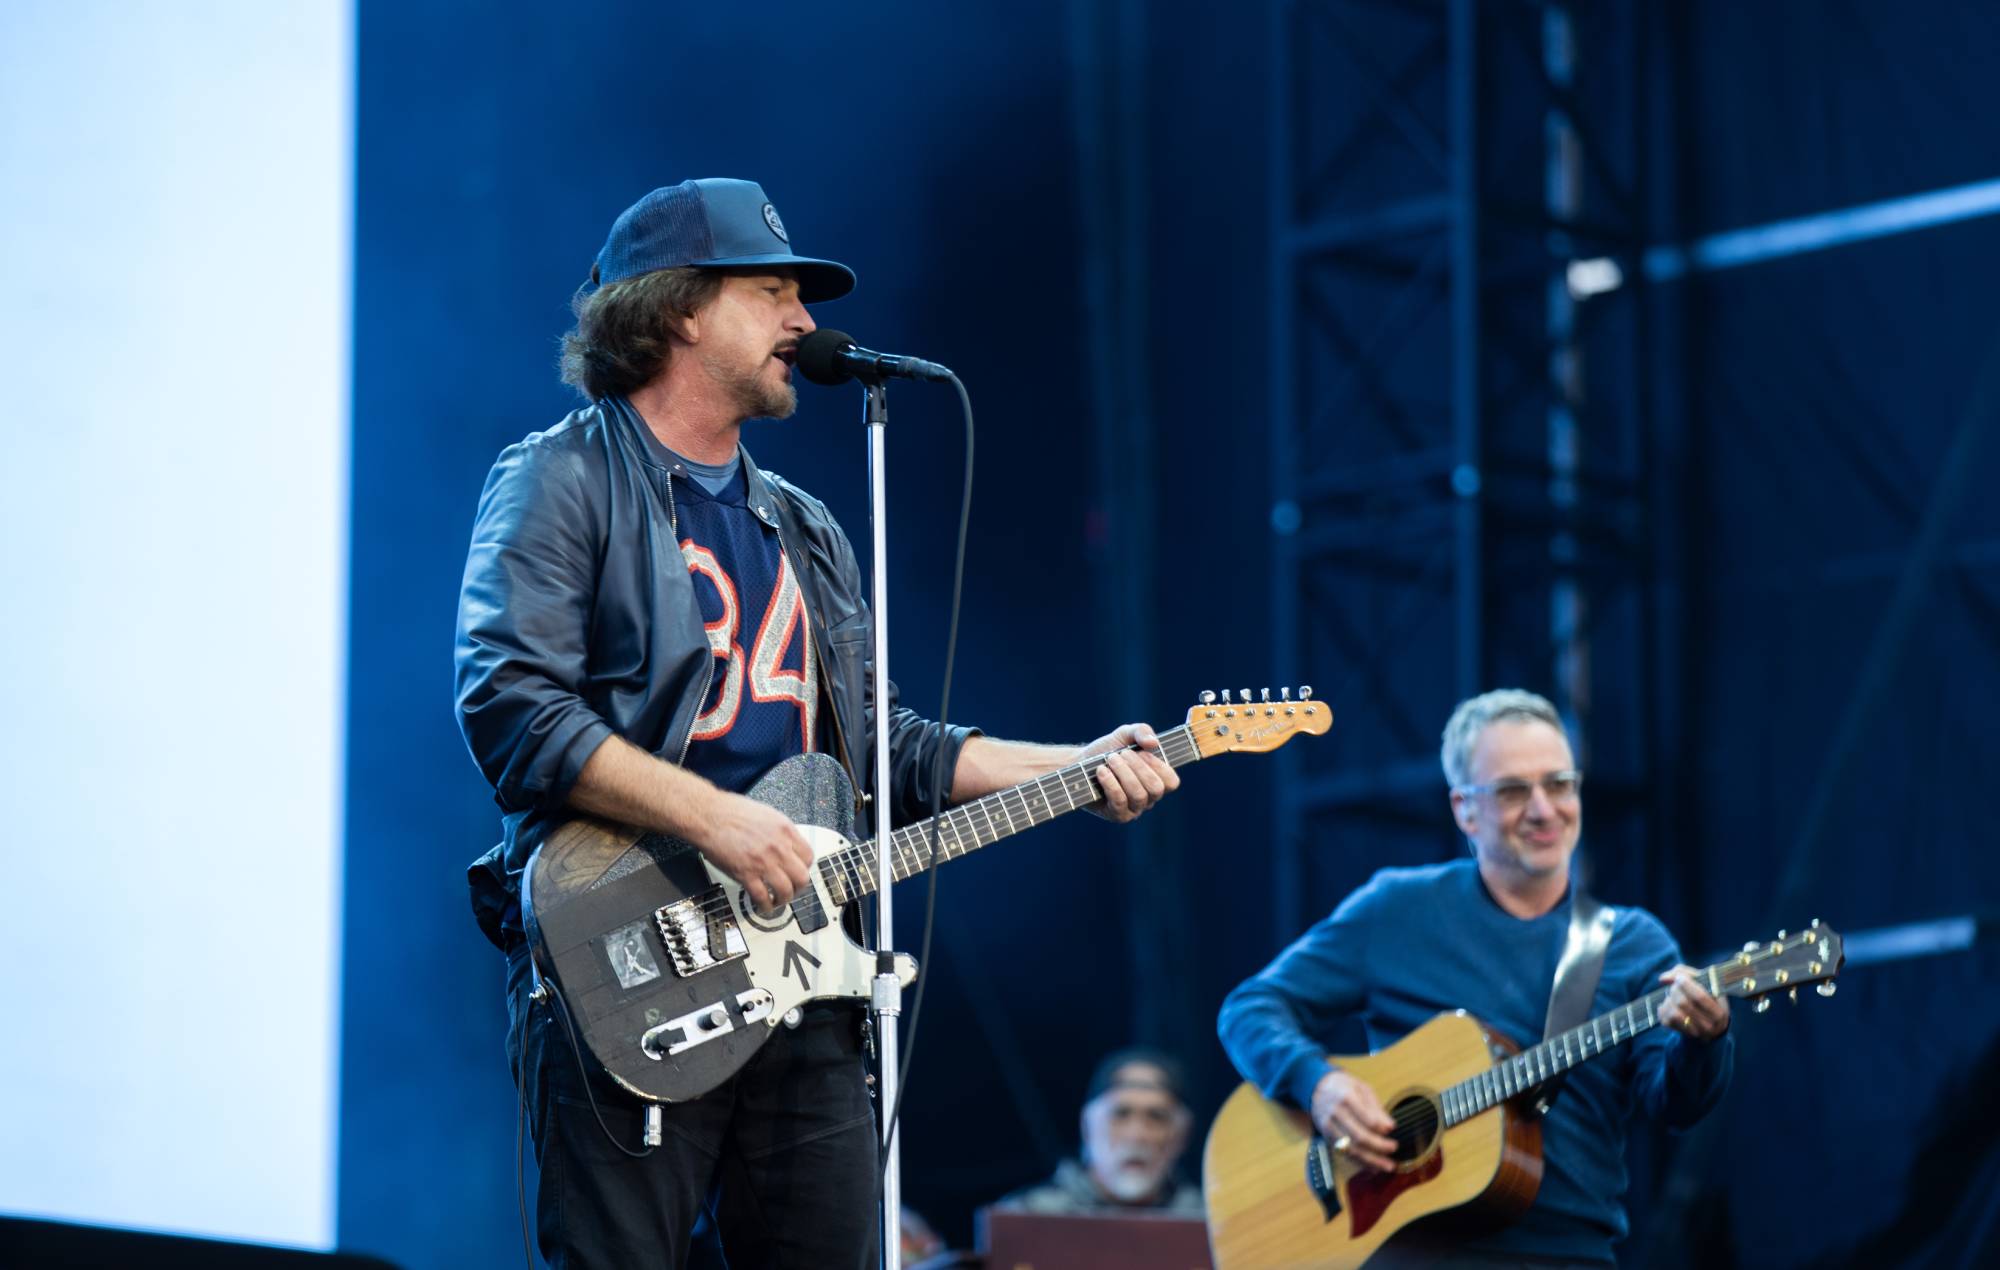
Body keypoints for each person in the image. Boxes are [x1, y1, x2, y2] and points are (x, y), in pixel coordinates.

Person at [454, 178, 1180, 1269]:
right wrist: (716, 821)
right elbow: (511, 704)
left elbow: (888, 749)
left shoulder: (804, 526)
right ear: (679, 309)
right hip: (627, 955)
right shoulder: (562, 477)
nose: (804, 321)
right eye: (771, 292)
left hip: (802, 975)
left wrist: (1075, 764)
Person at [1217, 689, 1733, 1267]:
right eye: (1514, 790)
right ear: (1464, 809)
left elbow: (1678, 1106)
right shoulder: (1396, 910)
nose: (1543, 809)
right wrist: (1316, 1084)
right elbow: (1251, 1006)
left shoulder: (1633, 943)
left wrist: (1703, 1041)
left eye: (1559, 783)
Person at [996, 1047, 1205, 1217]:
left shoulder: (1211, 1225)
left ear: (1182, 1136)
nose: (1137, 1135)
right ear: (1087, 1127)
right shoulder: (1027, 1216)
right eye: (1120, 1114)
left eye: (1157, 1117)